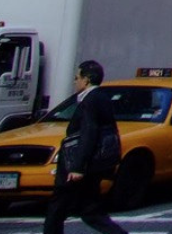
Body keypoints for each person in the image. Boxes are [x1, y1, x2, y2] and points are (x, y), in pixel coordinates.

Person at [44, 61, 127, 234]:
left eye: (77, 78)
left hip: (80, 165)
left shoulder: (91, 100)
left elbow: (89, 132)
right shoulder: (100, 98)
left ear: (87, 79)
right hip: (93, 164)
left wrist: (78, 167)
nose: (75, 82)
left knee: (57, 208)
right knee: (90, 211)